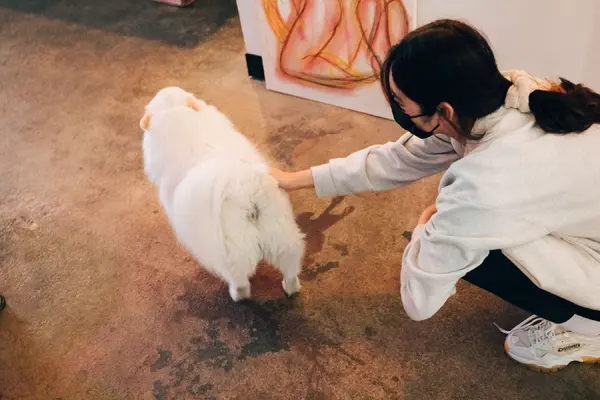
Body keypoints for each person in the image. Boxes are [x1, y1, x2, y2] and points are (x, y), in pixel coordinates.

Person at [270, 19, 600, 372]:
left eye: (401, 103)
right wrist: (292, 180)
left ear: (443, 111)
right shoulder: (506, 97)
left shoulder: (489, 181)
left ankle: (590, 330)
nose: (399, 111)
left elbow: (419, 303)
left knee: (475, 249)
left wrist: (425, 228)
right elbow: (397, 160)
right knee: (466, 231)